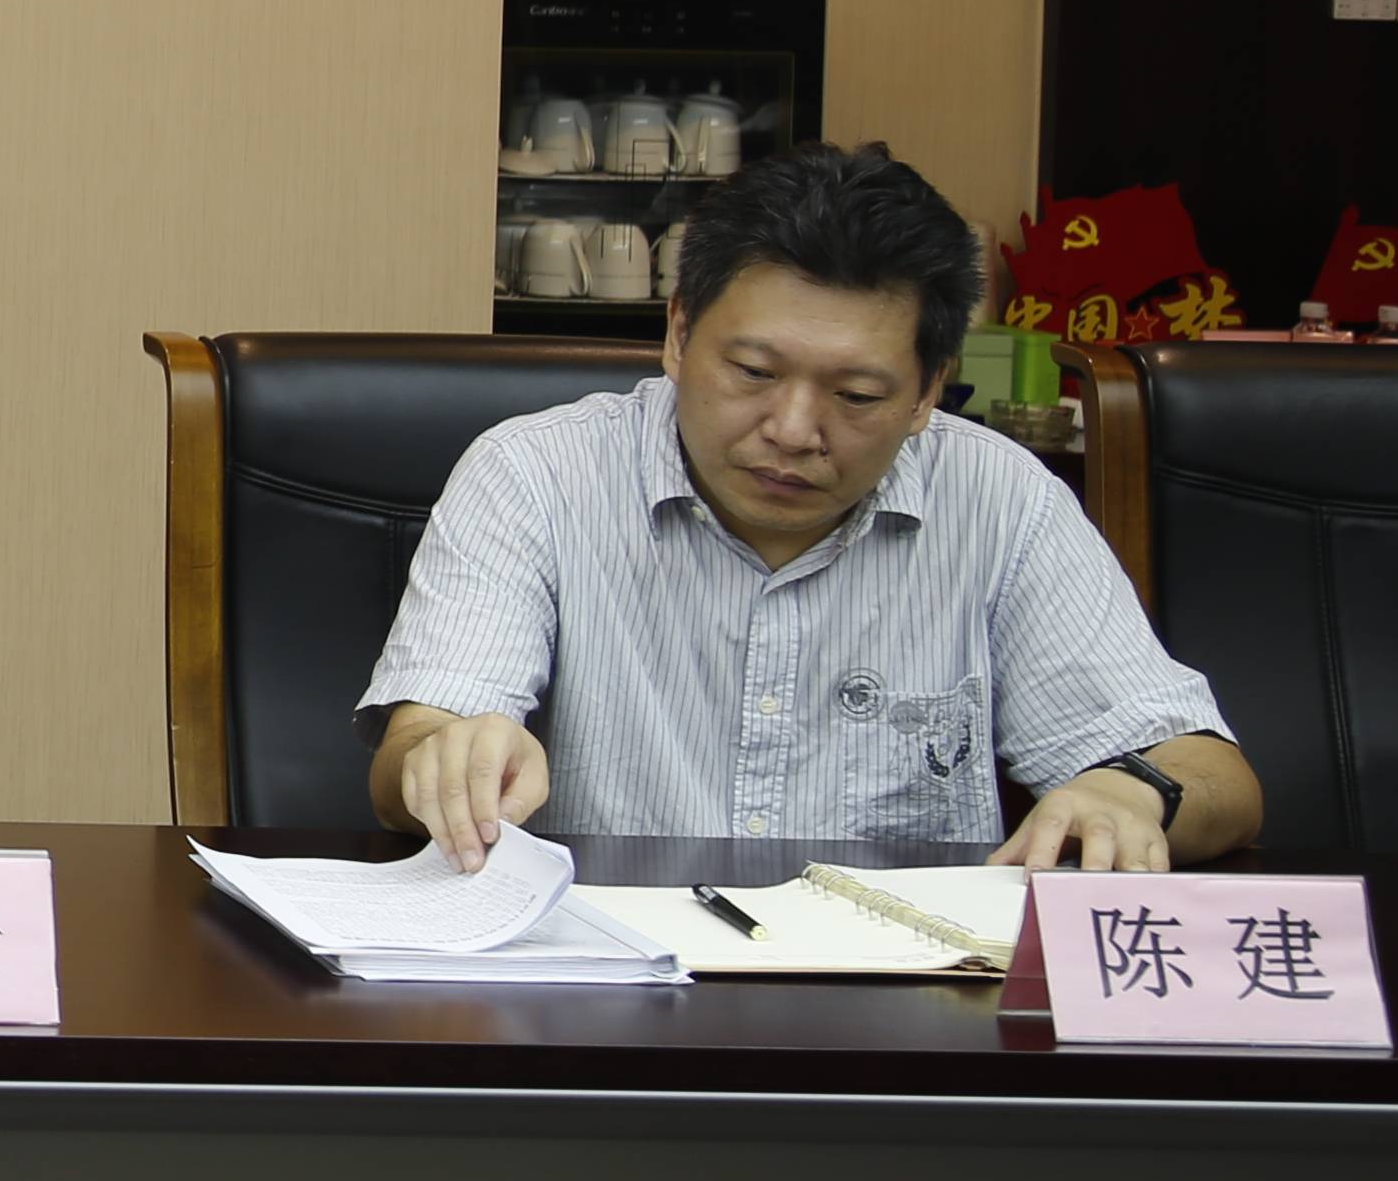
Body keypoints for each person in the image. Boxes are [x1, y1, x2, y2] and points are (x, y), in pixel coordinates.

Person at [366, 142, 1256, 870]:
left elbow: (1214, 776)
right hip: (605, 982)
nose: (793, 431)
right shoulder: (536, 475)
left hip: (902, 999)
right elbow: (418, 743)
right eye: (753, 373)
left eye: (857, 395)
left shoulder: (1001, 499)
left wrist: (1133, 792)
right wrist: (450, 759)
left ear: (929, 391)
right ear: (678, 334)